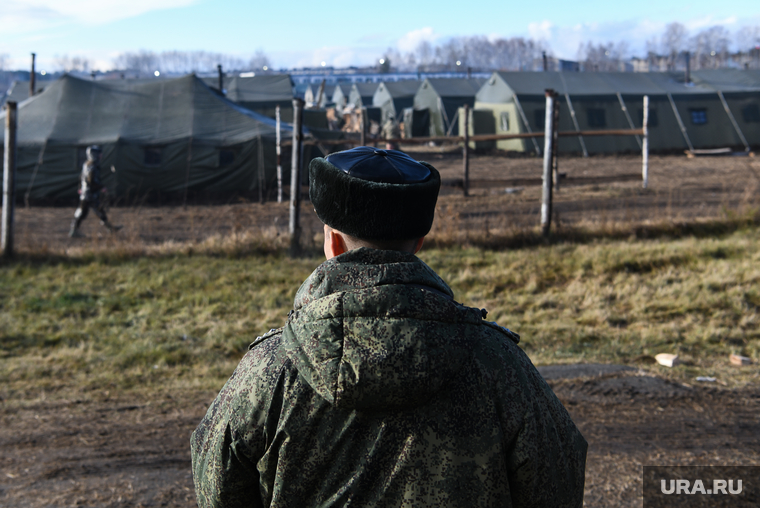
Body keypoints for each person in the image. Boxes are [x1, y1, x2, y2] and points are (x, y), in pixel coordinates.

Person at [191, 146, 587, 507]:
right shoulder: (499, 365)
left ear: (333, 244)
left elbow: (217, 483)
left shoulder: (270, 372)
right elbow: (557, 475)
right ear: (417, 244)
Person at [69, 145, 121, 238]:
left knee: (98, 211)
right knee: (82, 212)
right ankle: (73, 231)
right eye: (99, 154)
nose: (101, 155)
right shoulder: (92, 166)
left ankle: (110, 228)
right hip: (89, 194)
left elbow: (81, 177)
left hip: (88, 193)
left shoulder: (87, 164)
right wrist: (101, 187)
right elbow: (91, 180)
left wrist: (80, 187)